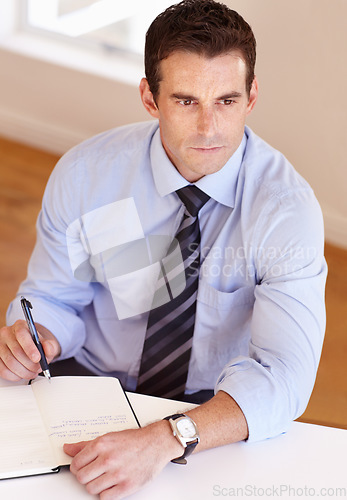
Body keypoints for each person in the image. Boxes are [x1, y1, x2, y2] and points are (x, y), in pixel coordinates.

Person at [0, 0, 327, 498]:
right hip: (86, 383)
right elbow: (55, 298)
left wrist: (165, 438)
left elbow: (283, 376)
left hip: (211, 411)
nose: (210, 129)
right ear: (150, 99)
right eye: (186, 101)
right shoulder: (87, 175)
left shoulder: (286, 210)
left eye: (227, 100)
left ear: (252, 95)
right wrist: (36, 338)